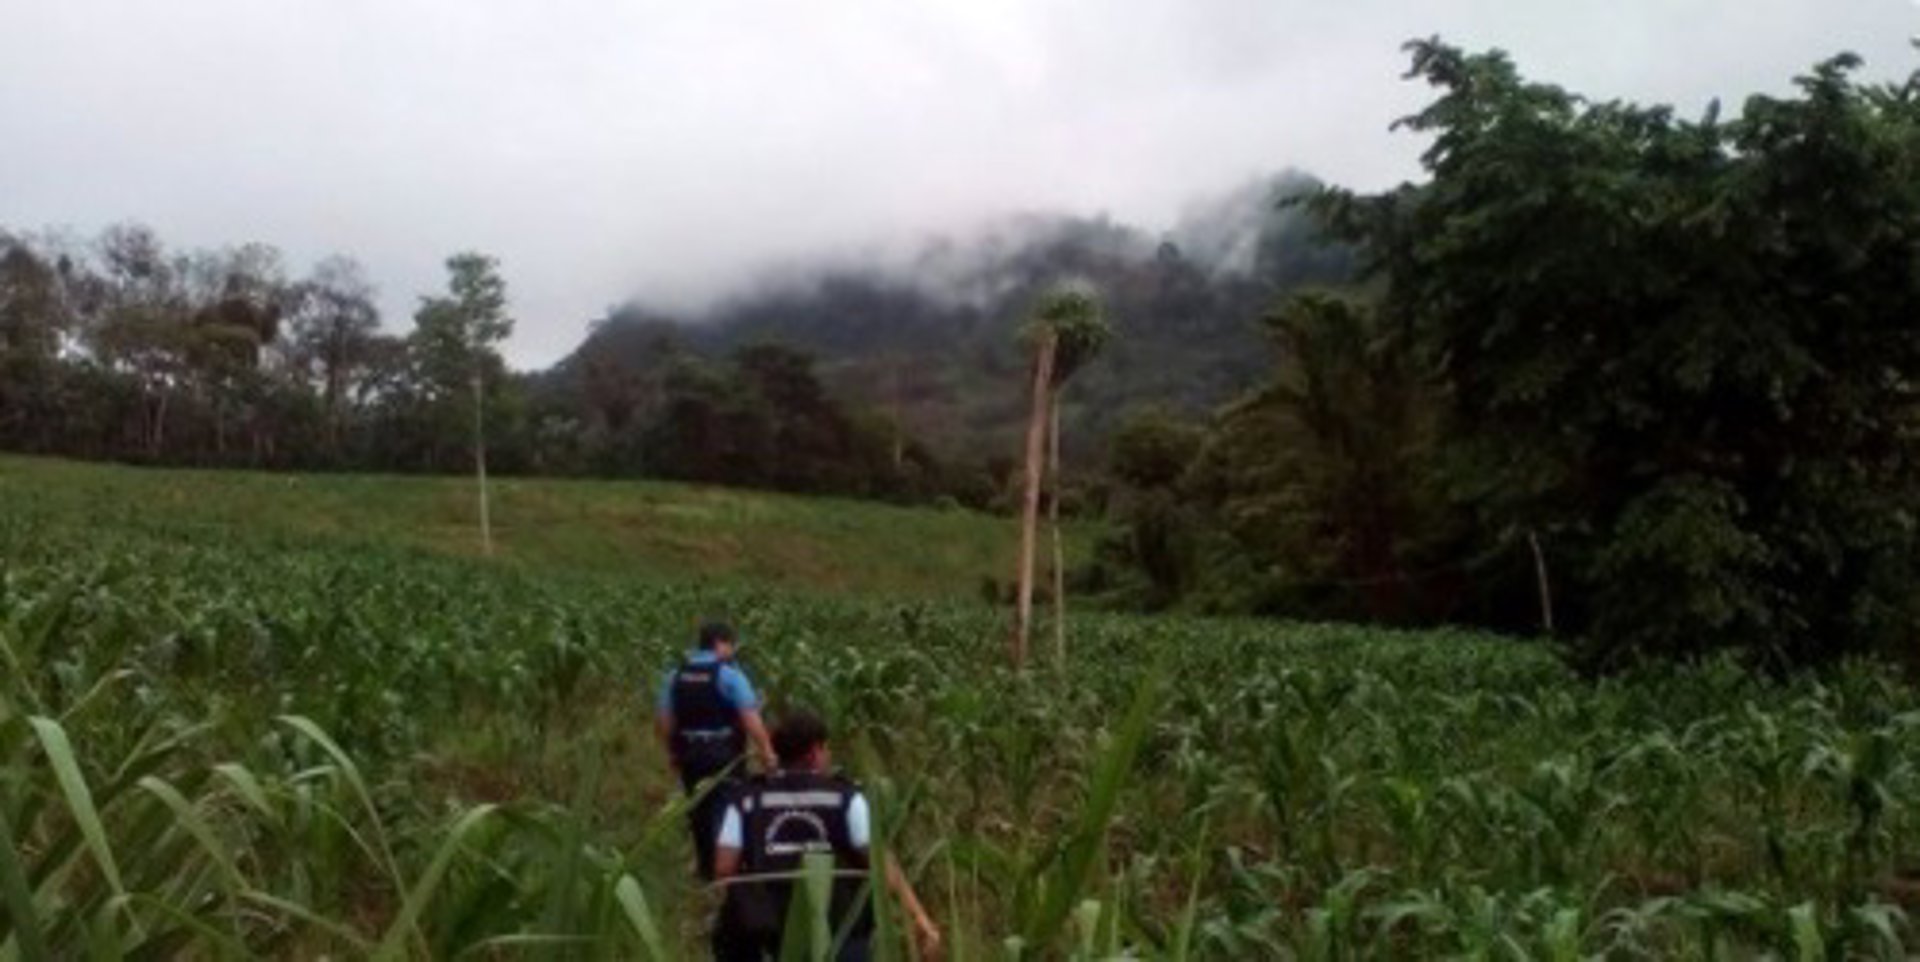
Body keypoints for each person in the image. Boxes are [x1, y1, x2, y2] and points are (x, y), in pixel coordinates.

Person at [712, 710, 941, 962]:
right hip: (840, 929)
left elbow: (724, 868)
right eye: (826, 749)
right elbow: (880, 864)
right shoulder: (846, 798)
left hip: (769, 932)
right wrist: (919, 918)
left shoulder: (745, 800)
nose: (828, 756)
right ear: (814, 753)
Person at [656, 621, 777, 881]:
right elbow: (750, 719)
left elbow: (666, 720)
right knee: (729, 808)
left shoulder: (675, 676)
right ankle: (729, 872)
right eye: (731, 644)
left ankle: (706, 870)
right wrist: (767, 751)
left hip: (689, 753)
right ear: (720, 643)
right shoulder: (729, 675)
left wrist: (672, 752)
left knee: (698, 809)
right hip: (724, 752)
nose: (732, 651)